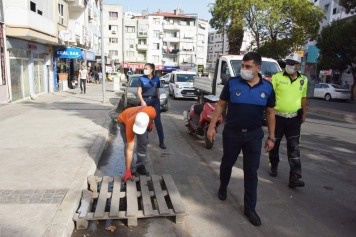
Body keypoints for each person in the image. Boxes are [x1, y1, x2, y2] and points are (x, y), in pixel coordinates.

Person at [207, 52, 276, 226]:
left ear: (258, 68)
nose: (243, 70)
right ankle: (223, 186)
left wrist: (271, 138)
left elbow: (270, 113)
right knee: (227, 164)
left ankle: (250, 208)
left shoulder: (267, 87)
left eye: (248, 67)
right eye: (242, 66)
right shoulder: (232, 83)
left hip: (254, 134)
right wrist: (211, 126)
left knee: (251, 172)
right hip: (232, 133)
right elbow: (220, 105)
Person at [268, 53, 308, 188]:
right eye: (287, 63)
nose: (289, 66)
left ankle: (294, 177)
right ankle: (274, 165)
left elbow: (303, 98)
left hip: (294, 119)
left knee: (294, 148)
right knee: (274, 144)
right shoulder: (277, 77)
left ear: (298, 65)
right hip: (278, 118)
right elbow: (270, 95)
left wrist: (304, 113)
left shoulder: (304, 80)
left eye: (292, 64)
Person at [118, 106, 156, 181]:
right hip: (124, 121)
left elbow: (151, 118)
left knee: (143, 142)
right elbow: (130, 150)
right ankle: (131, 170)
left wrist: (150, 123)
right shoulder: (130, 124)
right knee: (128, 146)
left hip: (141, 121)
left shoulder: (152, 112)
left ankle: (140, 165)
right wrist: (127, 171)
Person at [137, 63, 166, 149]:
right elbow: (139, 91)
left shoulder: (157, 79)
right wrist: (142, 101)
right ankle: (144, 141)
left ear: (151, 70)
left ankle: (162, 142)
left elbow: (158, 91)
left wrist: (158, 101)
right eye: (144, 68)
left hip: (155, 101)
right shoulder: (141, 78)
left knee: (158, 122)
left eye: (146, 68)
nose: (144, 70)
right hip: (145, 101)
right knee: (144, 121)